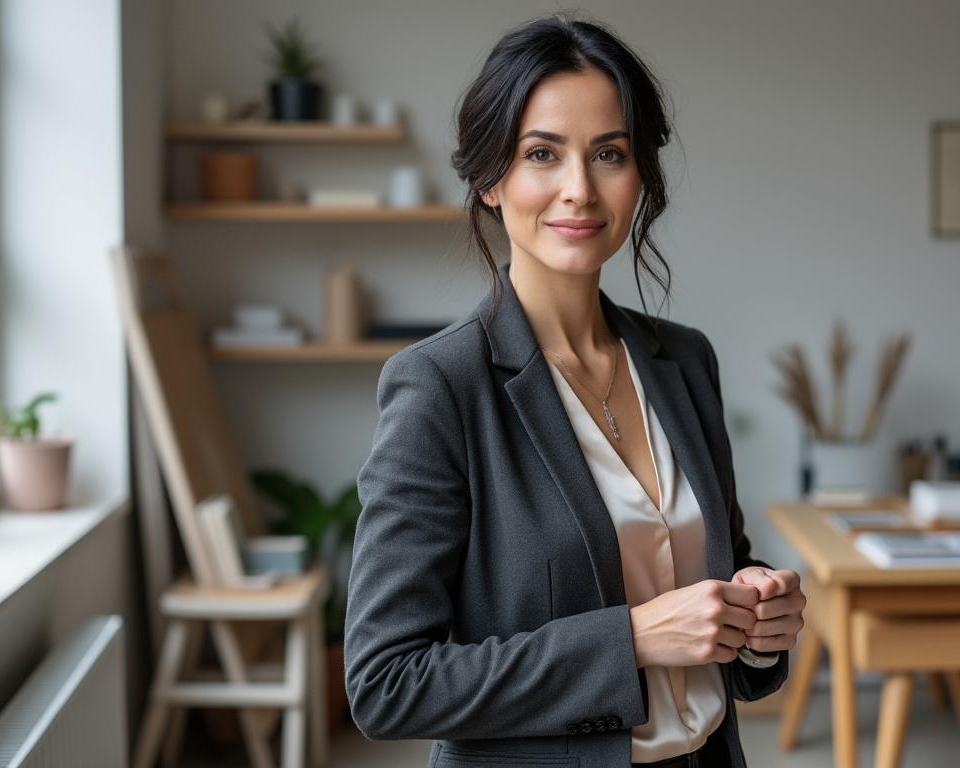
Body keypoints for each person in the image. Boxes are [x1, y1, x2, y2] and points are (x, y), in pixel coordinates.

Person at [343, 13, 806, 768]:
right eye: (541, 154)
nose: (579, 190)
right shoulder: (440, 386)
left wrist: (757, 622)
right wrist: (632, 638)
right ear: (492, 179)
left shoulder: (685, 362)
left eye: (609, 153)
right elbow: (387, 683)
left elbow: (712, 589)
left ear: (640, 174)